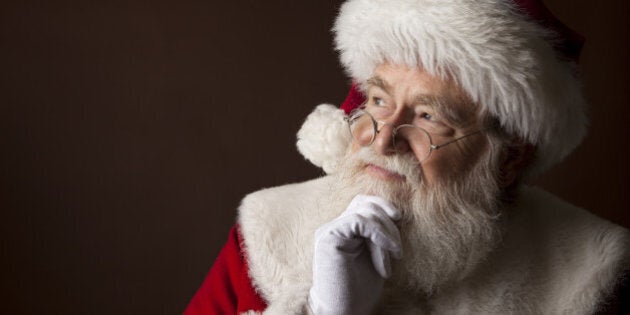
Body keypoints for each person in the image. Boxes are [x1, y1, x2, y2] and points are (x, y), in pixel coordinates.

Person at [184, 0, 629, 314]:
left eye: (429, 116)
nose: (383, 141)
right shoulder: (269, 229)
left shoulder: (591, 274)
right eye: (379, 100)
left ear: (508, 158)